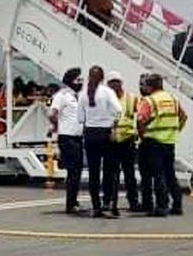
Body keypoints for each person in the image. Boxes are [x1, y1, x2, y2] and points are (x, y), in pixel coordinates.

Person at [136, 74, 187, 217]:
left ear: (151, 86)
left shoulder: (149, 100)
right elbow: (183, 117)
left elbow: (140, 120)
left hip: (153, 142)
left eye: (145, 85)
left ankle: (161, 206)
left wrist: (142, 136)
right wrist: (175, 130)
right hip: (169, 142)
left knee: (156, 175)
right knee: (170, 174)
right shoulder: (173, 99)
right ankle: (177, 205)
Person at [77, 66, 122, 218]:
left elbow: (80, 119)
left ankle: (96, 205)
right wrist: (109, 119)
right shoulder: (107, 92)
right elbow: (118, 110)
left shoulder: (83, 94)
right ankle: (108, 202)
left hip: (90, 133)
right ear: (103, 78)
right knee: (109, 171)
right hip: (105, 133)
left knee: (93, 172)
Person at [105, 71, 141, 212]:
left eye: (117, 81)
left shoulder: (131, 98)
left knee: (129, 173)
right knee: (109, 173)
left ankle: (133, 202)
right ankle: (107, 201)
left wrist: (138, 132)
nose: (114, 85)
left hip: (127, 140)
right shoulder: (104, 99)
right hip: (111, 141)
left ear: (121, 83)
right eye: (111, 82)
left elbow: (140, 116)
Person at [49, 68, 84, 214]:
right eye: (78, 80)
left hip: (78, 137)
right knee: (73, 171)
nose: (81, 82)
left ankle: (74, 201)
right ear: (70, 80)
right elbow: (52, 113)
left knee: (78, 171)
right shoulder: (62, 95)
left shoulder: (79, 96)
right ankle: (70, 204)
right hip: (67, 137)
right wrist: (57, 127)